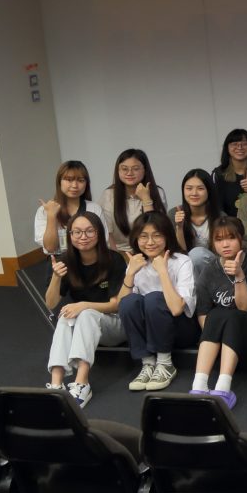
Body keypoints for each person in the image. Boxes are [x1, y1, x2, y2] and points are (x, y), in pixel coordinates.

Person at [43, 212, 126, 408]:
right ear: (70, 235)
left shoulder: (114, 259)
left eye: (90, 231)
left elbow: (116, 304)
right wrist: (56, 278)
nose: (83, 236)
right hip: (84, 325)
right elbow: (50, 303)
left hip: (114, 325)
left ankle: (82, 383)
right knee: (64, 314)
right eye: (77, 232)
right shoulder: (63, 261)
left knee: (86, 313)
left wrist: (84, 305)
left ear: (99, 233)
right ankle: (56, 385)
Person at [190, 216, 247, 409]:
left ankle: (223, 387)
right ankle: (199, 385)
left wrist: (239, 274)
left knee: (231, 314)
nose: (225, 244)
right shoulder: (209, 270)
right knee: (217, 314)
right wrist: (216, 338)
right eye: (219, 239)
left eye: (231, 238)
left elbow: (245, 307)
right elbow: (203, 314)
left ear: (241, 238)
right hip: (221, 338)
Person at [118, 211, 198, 392]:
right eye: (144, 236)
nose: (150, 242)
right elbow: (122, 307)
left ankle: (165, 363)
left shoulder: (182, 261)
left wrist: (162, 271)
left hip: (181, 329)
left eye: (157, 235)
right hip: (150, 332)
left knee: (154, 298)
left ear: (167, 236)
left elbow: (177, 309)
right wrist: (130, 273)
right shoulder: (136, 262)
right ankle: (148, 364)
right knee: (129, 302)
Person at [98, 149, 167, 252]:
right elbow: (107, 233)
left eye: (135, 169)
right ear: (118, 171)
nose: (129, 173)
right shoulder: (108, 195)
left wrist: (146, 199)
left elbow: (156, 229)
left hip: (150, 250)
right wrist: (118, 259)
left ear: (145, 169)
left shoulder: (157, 192)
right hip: (119, 252)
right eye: (124, 169)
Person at [35, 160, 108, 255]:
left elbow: (103, 241)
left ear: (86, 184)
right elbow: (50, 247)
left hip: (90, 261)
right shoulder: (45, 211)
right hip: (60, 265)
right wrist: (51, 216)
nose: (74, 185)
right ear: (59, 181)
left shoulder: (94, 208)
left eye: (81, 180)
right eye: (69, 180)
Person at [174, 169, 221, 276]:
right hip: (185, 270)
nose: (194, 193)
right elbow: (179, 254)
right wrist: (179, 228)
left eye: (200, 188)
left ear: (209, 191)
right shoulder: (175, 213)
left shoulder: (220, 216)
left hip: (215, 269)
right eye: (189, 188)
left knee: (197, 254)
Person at [211, 128, 247, 215]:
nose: (239, 147)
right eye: (234, 144)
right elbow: (215, 206)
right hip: (230, 225)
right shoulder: (218, 174)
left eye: (244, 144)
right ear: (227, 147)